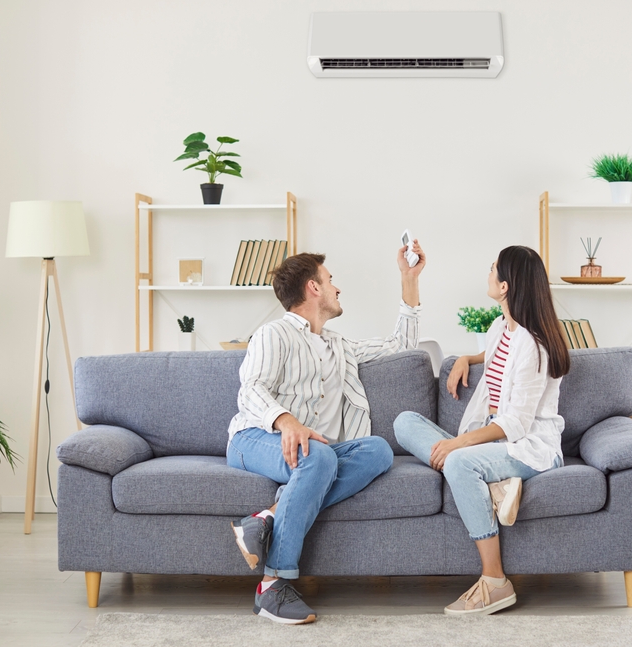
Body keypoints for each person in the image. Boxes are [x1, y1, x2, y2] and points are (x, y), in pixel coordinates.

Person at [227, 241, 426, 625]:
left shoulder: (340, 346)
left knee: (379, 451)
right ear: (313, 288)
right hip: (254, 439)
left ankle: (267, 517)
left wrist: (409, 278)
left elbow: (402, 344)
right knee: (320, 455)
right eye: (330, 280)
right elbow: (250, 390)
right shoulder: (274, 334)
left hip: (316, 454)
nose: (337, 288)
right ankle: (273, 585)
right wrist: (287, 422)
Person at [393, 245, 570, 616]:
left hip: (528, 444)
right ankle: (495, 487)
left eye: (493, 269)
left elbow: (517, 423)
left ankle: (495, 582)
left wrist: (458, 445)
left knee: (459, 464)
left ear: (505, 286)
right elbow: (496, 358)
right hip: (496, 438)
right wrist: (465, 359)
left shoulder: (534, 345)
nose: (488, 273)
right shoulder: (500, 328)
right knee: (404, 423)